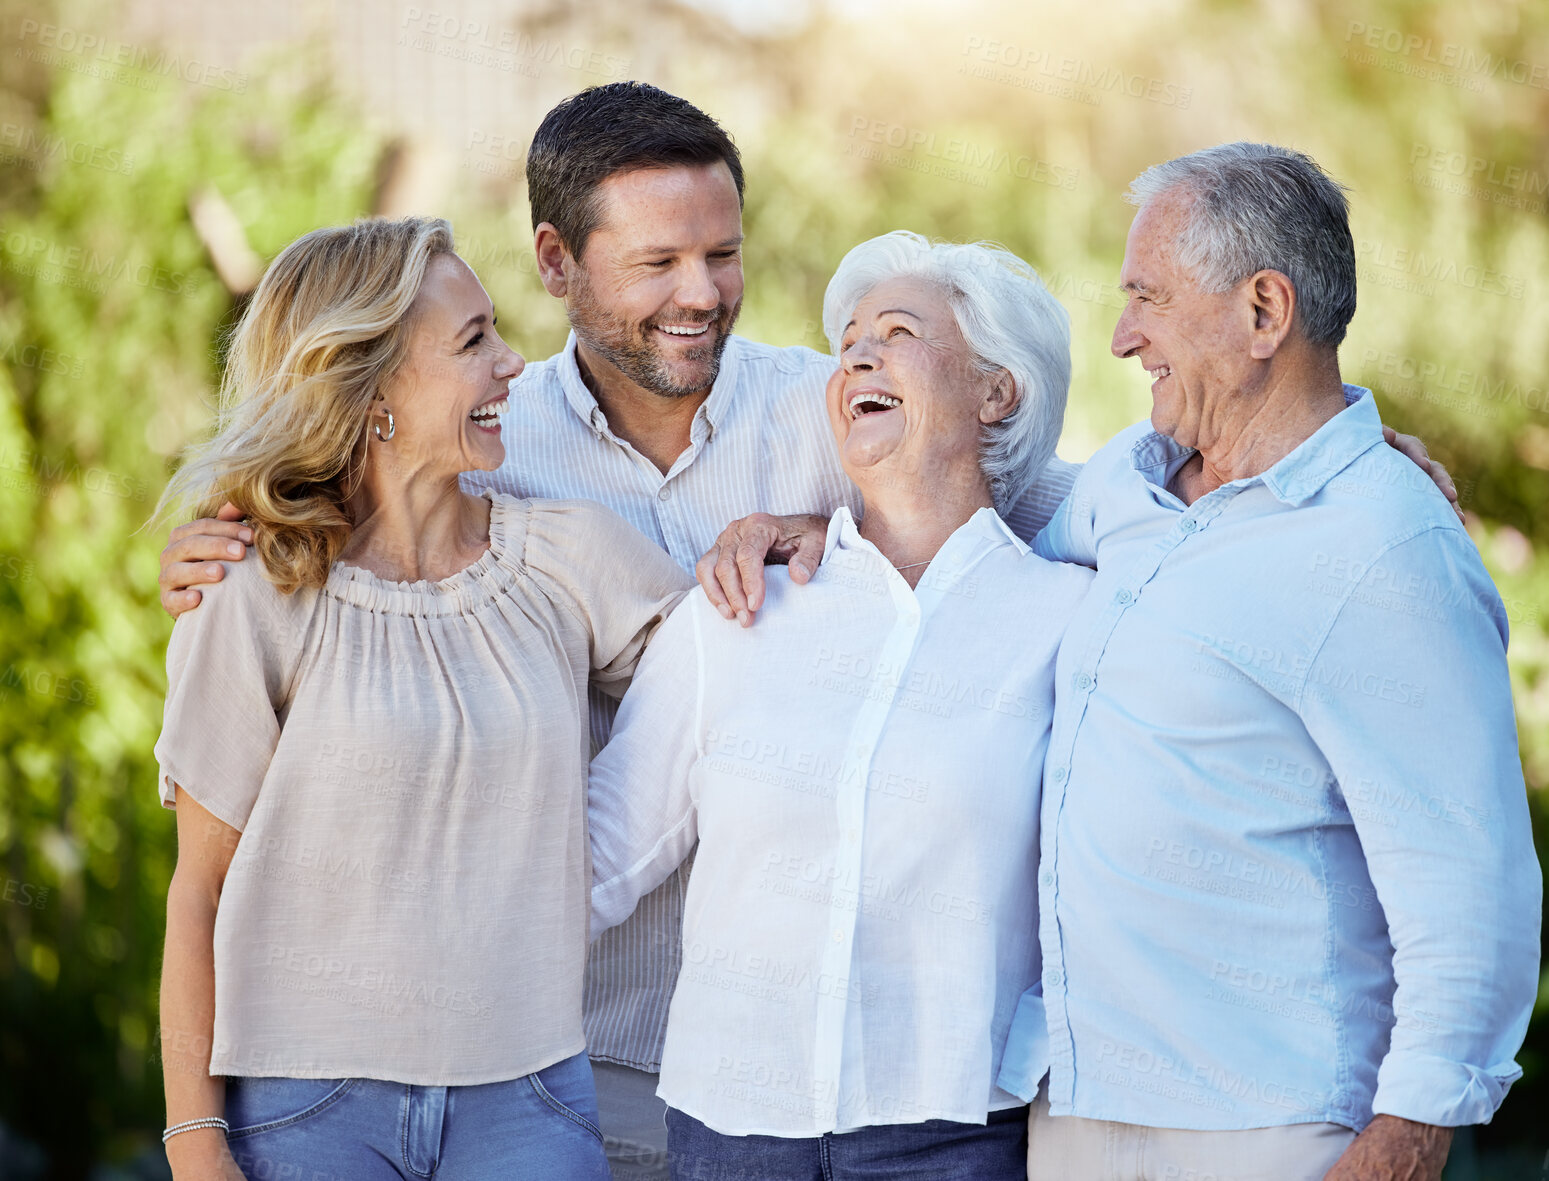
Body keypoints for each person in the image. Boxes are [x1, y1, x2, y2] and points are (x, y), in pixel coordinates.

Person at [152, 83, 1457, 1178]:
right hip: (563, 1060)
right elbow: (352, 506)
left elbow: (1036, 494)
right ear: (554, 263)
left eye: (720, 253)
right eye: (655, 262)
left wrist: (1324, 454)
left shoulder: (816, 413)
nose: (702, 293)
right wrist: (233, 531)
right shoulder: (493, 439)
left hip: (840, 1089)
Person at [1011, 144, 1540, 1179]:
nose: (1123, 337)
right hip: (1074, 1111)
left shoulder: (1389, 546)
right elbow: (971, 513)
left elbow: (1465, 877)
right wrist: (796, 520)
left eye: (1148, 298)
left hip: (1266, 1130)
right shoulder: (1126, 480)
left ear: (1263, 312)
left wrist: (1404, 1137)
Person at [152, 216, 689, 1180]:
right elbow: (197, 892)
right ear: (377, 391)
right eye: (474, 341)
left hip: (527, 1096)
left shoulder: (567, 558)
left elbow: (738, 666)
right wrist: (195, 1145)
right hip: (302, 1106)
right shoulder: (251, 593)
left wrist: (784, 535)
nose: (513, 363)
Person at [588, 231, 1090, 1181]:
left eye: (897, 332)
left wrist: (1364, 456)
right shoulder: (738, 607)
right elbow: (594, 857)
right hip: (726, 1129)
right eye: (850, 337)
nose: (854, 354)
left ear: (997, 392)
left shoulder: (1069, 624)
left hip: (954, 1129)